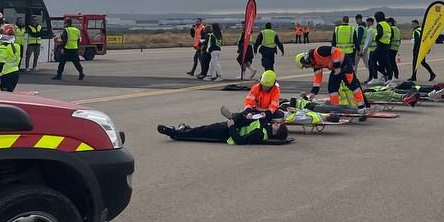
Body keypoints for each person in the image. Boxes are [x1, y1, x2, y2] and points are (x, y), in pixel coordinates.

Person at [297, 45, 367, 119]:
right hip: (336, 69)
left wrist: (337, 66)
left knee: (353, 86)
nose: (306, 67)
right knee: (332, 89)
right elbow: (318, 78)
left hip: (345, 64)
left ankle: (362, 107)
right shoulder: (315, 64)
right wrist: (313, 93)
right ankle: (335, 109)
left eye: (304, 66)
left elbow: (334, 50)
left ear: (305, 60)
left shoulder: (319, 51)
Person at [157, 110, 291, 144]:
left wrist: (231, 126)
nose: (276, 123)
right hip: (230, 126)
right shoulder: (265, 126)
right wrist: (248, 117)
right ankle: (184, 130)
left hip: (227, 133)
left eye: (278, 126)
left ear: (276, 133)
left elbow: (240, 141)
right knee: (202, 130)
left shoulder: (261, 134)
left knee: (202, 132)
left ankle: (174, 132)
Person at [55, 16, 86, 81]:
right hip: (74, 49)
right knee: (76, 63)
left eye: (64, 23)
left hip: (67, 49)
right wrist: (77, 47)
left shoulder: (66, 30)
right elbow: (78, 40)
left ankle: (58, 75)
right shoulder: (77, 30)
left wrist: (61, 47)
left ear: (67, 23)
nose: (64, 25)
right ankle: (81, 73)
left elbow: (65, 40)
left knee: (62, 63)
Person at [0, 22, 22, 92]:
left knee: (4, 94)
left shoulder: (3, 47)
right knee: (9, 93)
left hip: (6, 75)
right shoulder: (17, 46)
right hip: (15, 73)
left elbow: (0, 64)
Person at [373, 13, 394, 82]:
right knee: (386, 62)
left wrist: (376, 38)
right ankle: (390, 77)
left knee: (372, 60)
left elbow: (380, 33)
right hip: (387, 45)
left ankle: (385, 74)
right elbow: (391, 35)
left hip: (381, 45)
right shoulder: (387, 24)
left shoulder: (380, 24)